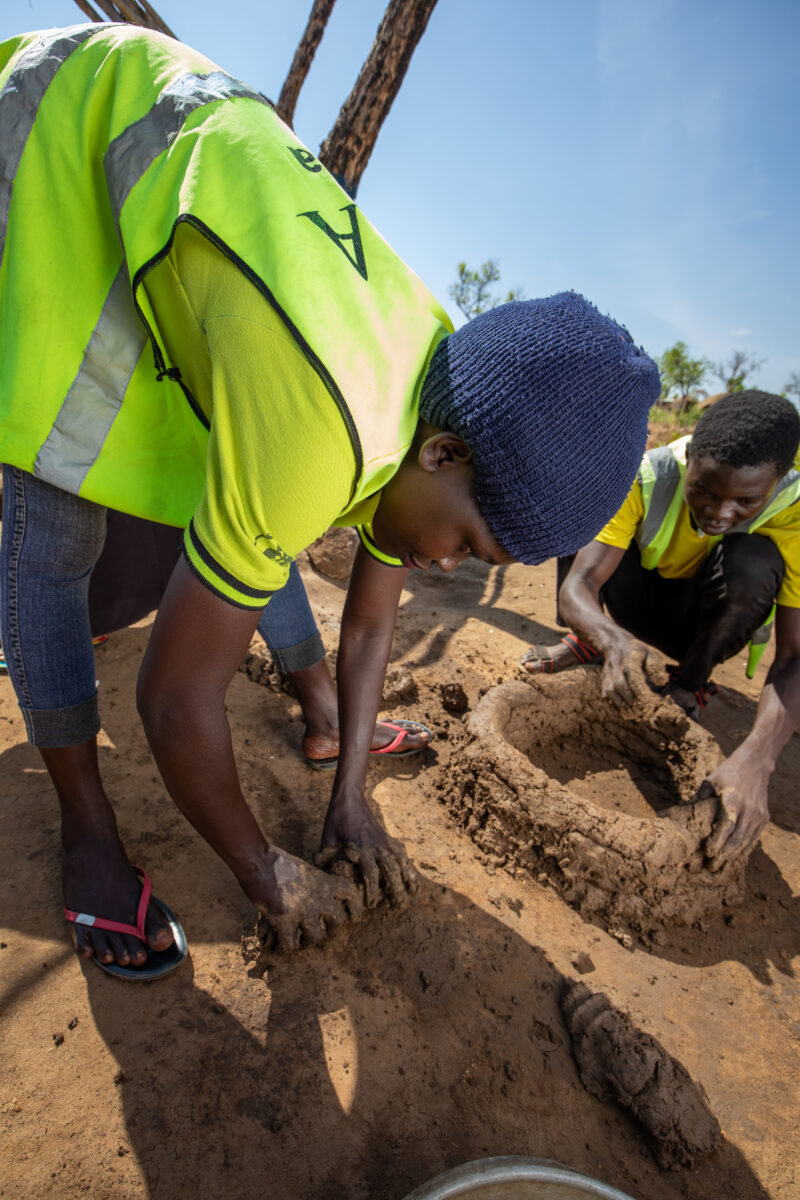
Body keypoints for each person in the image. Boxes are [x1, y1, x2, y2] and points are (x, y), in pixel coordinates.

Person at [0, 23, 659, 975]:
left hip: (196, 201)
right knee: (56, 502)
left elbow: (371, 624)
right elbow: (175, 702)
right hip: (70, 125)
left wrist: (350, 792)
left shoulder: (439, 393)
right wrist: (264, 870)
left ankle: (320, 715)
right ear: (441, 450)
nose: (449, 567)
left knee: (246, 508)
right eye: (470, 546)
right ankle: (87, 830)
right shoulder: (324, 426)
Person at [522, 391, 800, 871]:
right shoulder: (646, 474)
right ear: (689, 456)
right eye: (704, 490)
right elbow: (580, 585)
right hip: (631, 601)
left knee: (756, 562)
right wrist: (611, 639)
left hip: (705, 622)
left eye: (746, 501)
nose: (719, 513)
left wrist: (758, 759)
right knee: (592, 503)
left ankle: (691, 683)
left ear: (776, 483)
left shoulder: (793, 512)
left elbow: (795, 657)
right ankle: (588, 640)